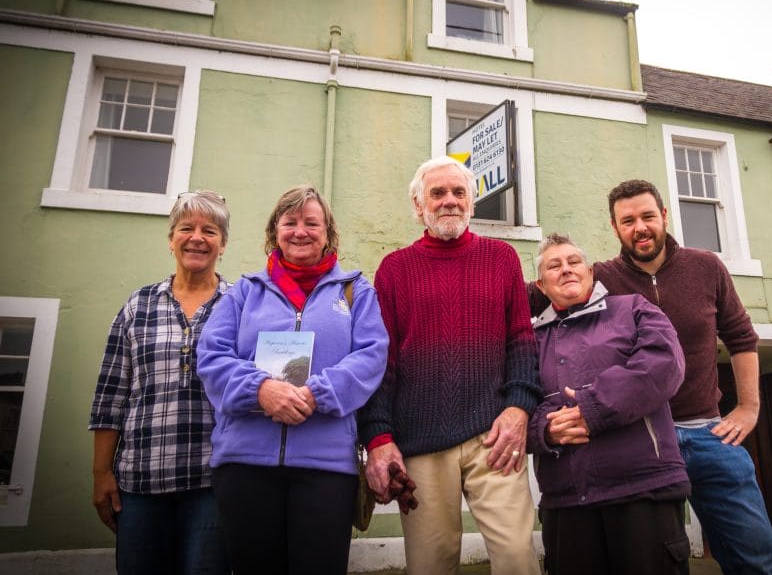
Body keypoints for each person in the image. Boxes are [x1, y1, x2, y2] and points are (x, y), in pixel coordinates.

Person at [359, 156, 543, 575]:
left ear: (472, 205)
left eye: (459, 193)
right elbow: (381, 363)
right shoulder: (393, 269)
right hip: (420, 443)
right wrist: (378, 438)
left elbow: (521, 341)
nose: (449, 201)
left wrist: (519, 409)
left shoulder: (501, 258)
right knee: (430, 566)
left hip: (494, 435)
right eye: (437, 193)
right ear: (418, 207)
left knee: (518, 558)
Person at [196, 185, 389, 574]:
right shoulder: (244, 293)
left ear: (328, 232)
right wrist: (261, 390)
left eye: (311, 223)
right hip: (244, 465)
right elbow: (212, 356)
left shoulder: (355, 291)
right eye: (290, 222)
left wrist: (319, 394)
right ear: (275, 232)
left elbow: (371, 356)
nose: (300, 231)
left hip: (326, 468)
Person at [596, 179, 772, 575]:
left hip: (709, 434)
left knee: (755, 556)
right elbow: (540, 294)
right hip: (641, 438)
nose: (639, 228)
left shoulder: (707, 266)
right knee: (650, 562)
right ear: (614, 228)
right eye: (627, 221)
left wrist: (748, 407)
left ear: (663, 215)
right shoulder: (601, 279)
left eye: (647, 216)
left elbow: (742, 337)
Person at [528, 233, 691, 575]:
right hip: (567, 501)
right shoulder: (530, 339)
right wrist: (544, 429)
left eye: (574, 262)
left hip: (643, 492)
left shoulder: (634, 308)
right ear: (542, 286)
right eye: (554, 266)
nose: (566, 270)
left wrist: (593, 409)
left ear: (590, 272)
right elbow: (514, 405)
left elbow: (662, 366)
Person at [89, 190, 232, 574]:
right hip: (140, 483)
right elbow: (111, 395)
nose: (197, 237)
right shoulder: (139, 305)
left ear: (223, 243)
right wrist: (102, 474)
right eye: (186, 228)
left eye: (210, 230)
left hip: (213, 482)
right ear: (171, 240)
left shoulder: (240, 304)